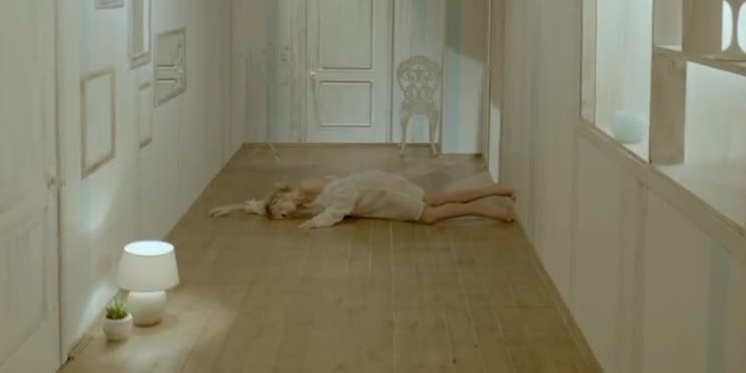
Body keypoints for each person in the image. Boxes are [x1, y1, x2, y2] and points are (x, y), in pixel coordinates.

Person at [207, 170, 516, 228]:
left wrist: (319, 222)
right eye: (283, 218)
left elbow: (343, 198)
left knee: (430, 215)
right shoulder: (296, 204)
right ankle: (495, 191)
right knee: (435, 200)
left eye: (282, 211)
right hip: (372, 198)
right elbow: (260, 206)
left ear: (280, 200)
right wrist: (234, 207)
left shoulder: (306, 188)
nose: (286, 215)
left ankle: (488, 210)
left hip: (373, 192)